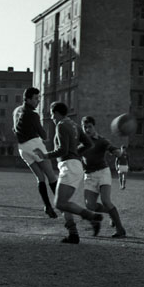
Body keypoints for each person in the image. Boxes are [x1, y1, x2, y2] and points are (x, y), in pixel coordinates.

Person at [33, 102, 102, 244]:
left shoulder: (61, 125)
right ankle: (73, 234)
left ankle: (91, 217)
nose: (52, 117)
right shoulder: (74, 125)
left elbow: (63, 150)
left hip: (69, 166)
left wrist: (45, 155)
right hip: (74, 165)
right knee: (64, 203)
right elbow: (89, 144)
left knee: (60, 203)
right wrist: (75, 153)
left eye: (52, 114)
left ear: (57, 113)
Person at [12, 86, 58, 218]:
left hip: (22, 148)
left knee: (40, 178)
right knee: (51, 176)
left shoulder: (17, 111)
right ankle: (63, 205)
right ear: (28, 99)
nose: (38, 101)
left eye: (38, 98)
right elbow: (43, 135)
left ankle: (47, 206)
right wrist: (45, 133)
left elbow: (14, 129)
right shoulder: (33, 114)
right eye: (36, 98)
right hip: (34, 145)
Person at [80, 116, 127, 238]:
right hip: (88, 175)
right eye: (85, 127)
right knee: (89, 205)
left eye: (90, 126)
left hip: (102, 172)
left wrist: (118, 152)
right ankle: (110, 213)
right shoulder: (80, 141)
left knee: (106, 201)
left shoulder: (101, 141)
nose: (87, 129)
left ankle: (120, 229)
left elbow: (114, 150)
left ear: (94, 127)